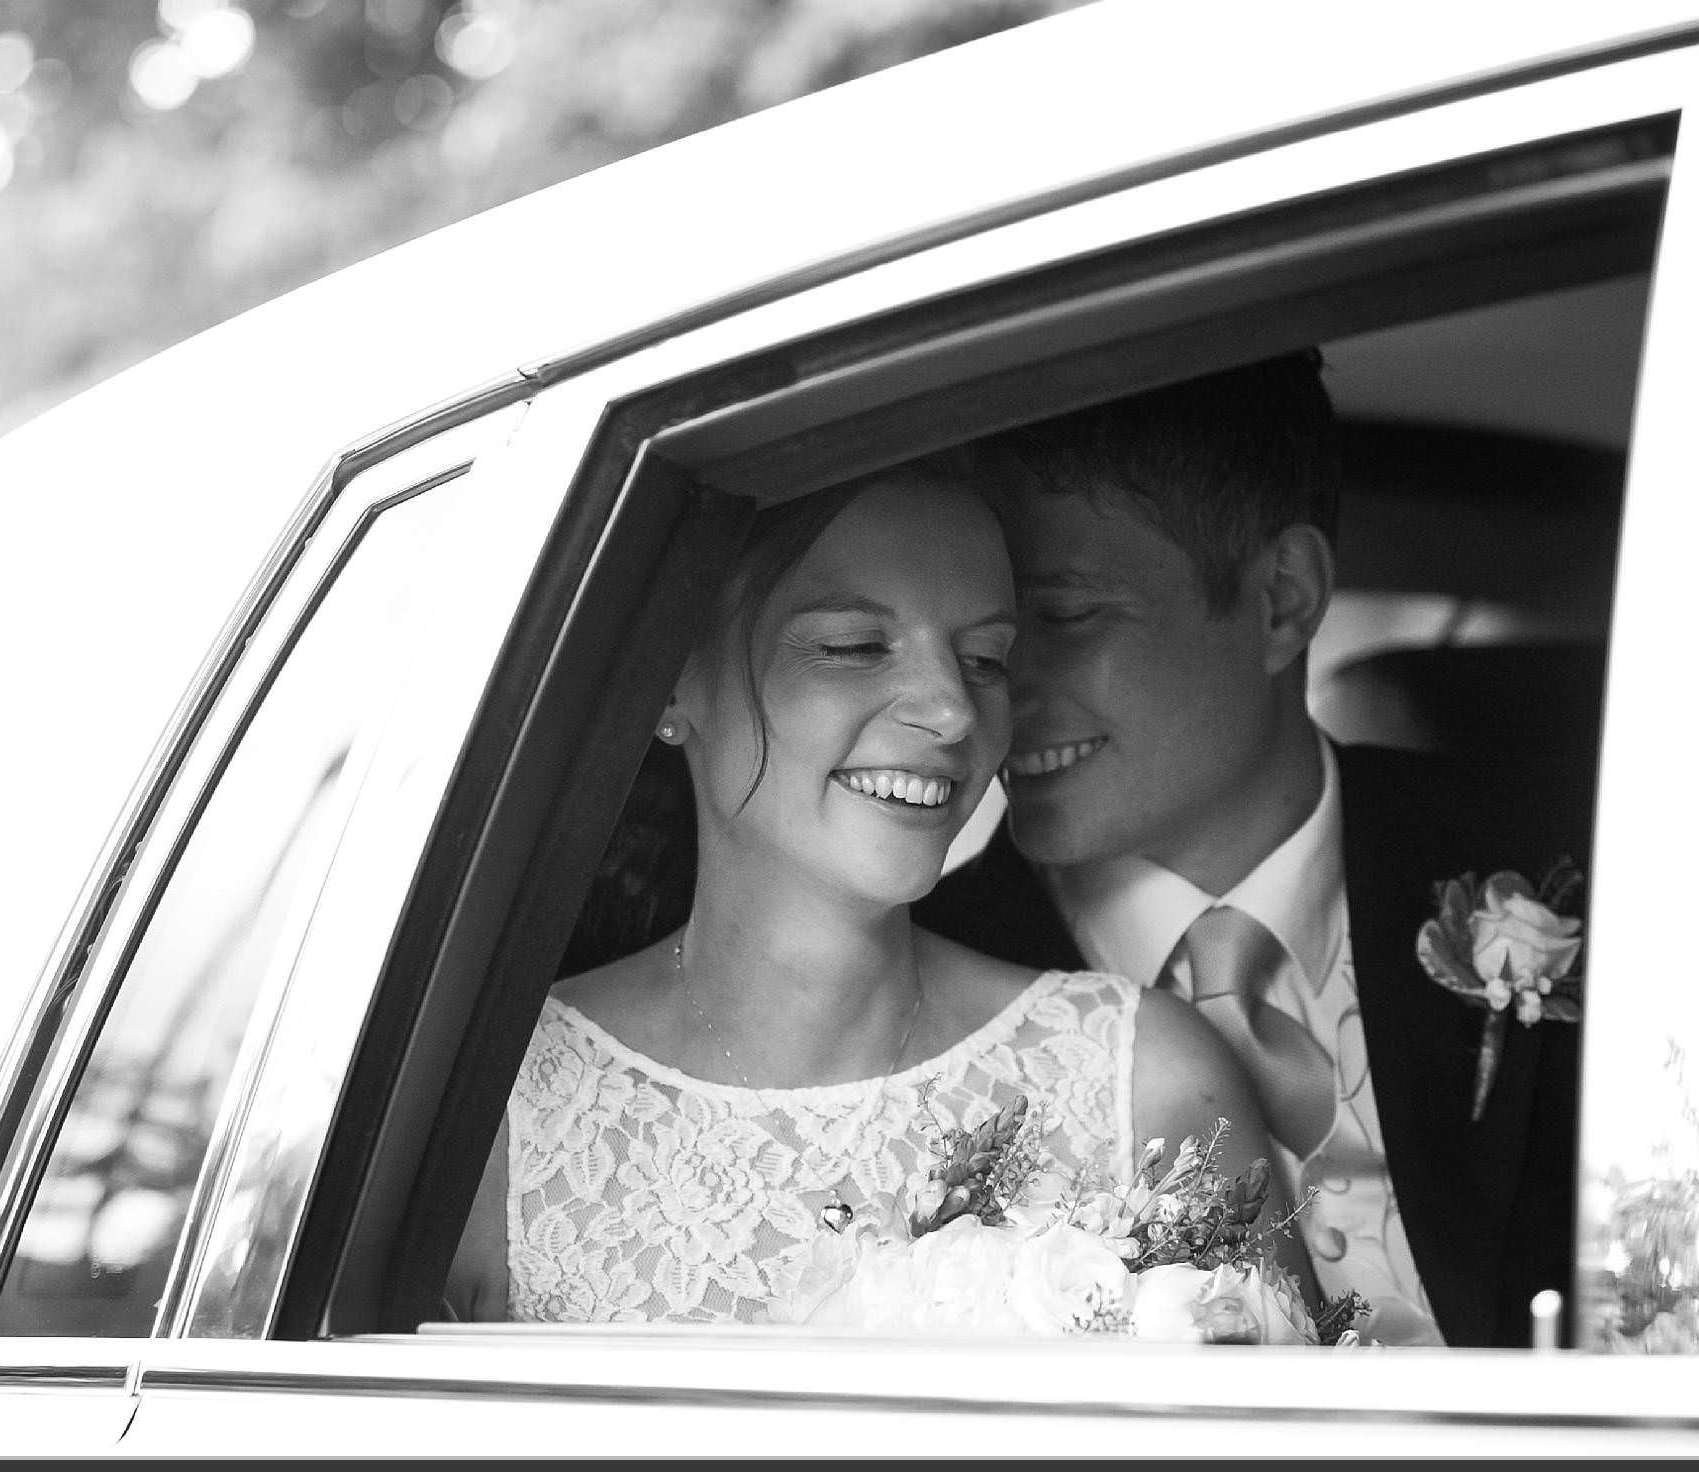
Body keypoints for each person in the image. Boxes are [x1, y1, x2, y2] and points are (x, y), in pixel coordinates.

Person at [442, 456, 1300, 1324]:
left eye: (985, 659)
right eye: (853, 647)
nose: (953, 712)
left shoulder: (1141, 1082)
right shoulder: (499, 1114)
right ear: (671, 677)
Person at [915, 352, 1593, 1349]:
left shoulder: (1575, 860)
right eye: (993, 635)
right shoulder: (924, 989)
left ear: (1283, 597)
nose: (1003, 690)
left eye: (1064, 615)